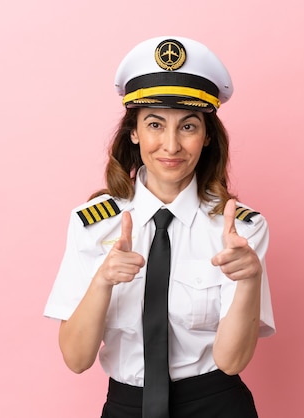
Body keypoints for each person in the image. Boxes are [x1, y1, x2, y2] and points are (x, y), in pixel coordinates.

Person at [44, 36, 275, 418]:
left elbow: (232, 361)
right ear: (133, 132)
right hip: (126, 407)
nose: (171, 146)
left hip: (216, 406)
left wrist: (249, 279)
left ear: (207, 138)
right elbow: (76, 358)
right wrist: (103, 280)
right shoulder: (92, 224)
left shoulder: (241, 230)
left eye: (188, 126)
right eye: (154, 124)